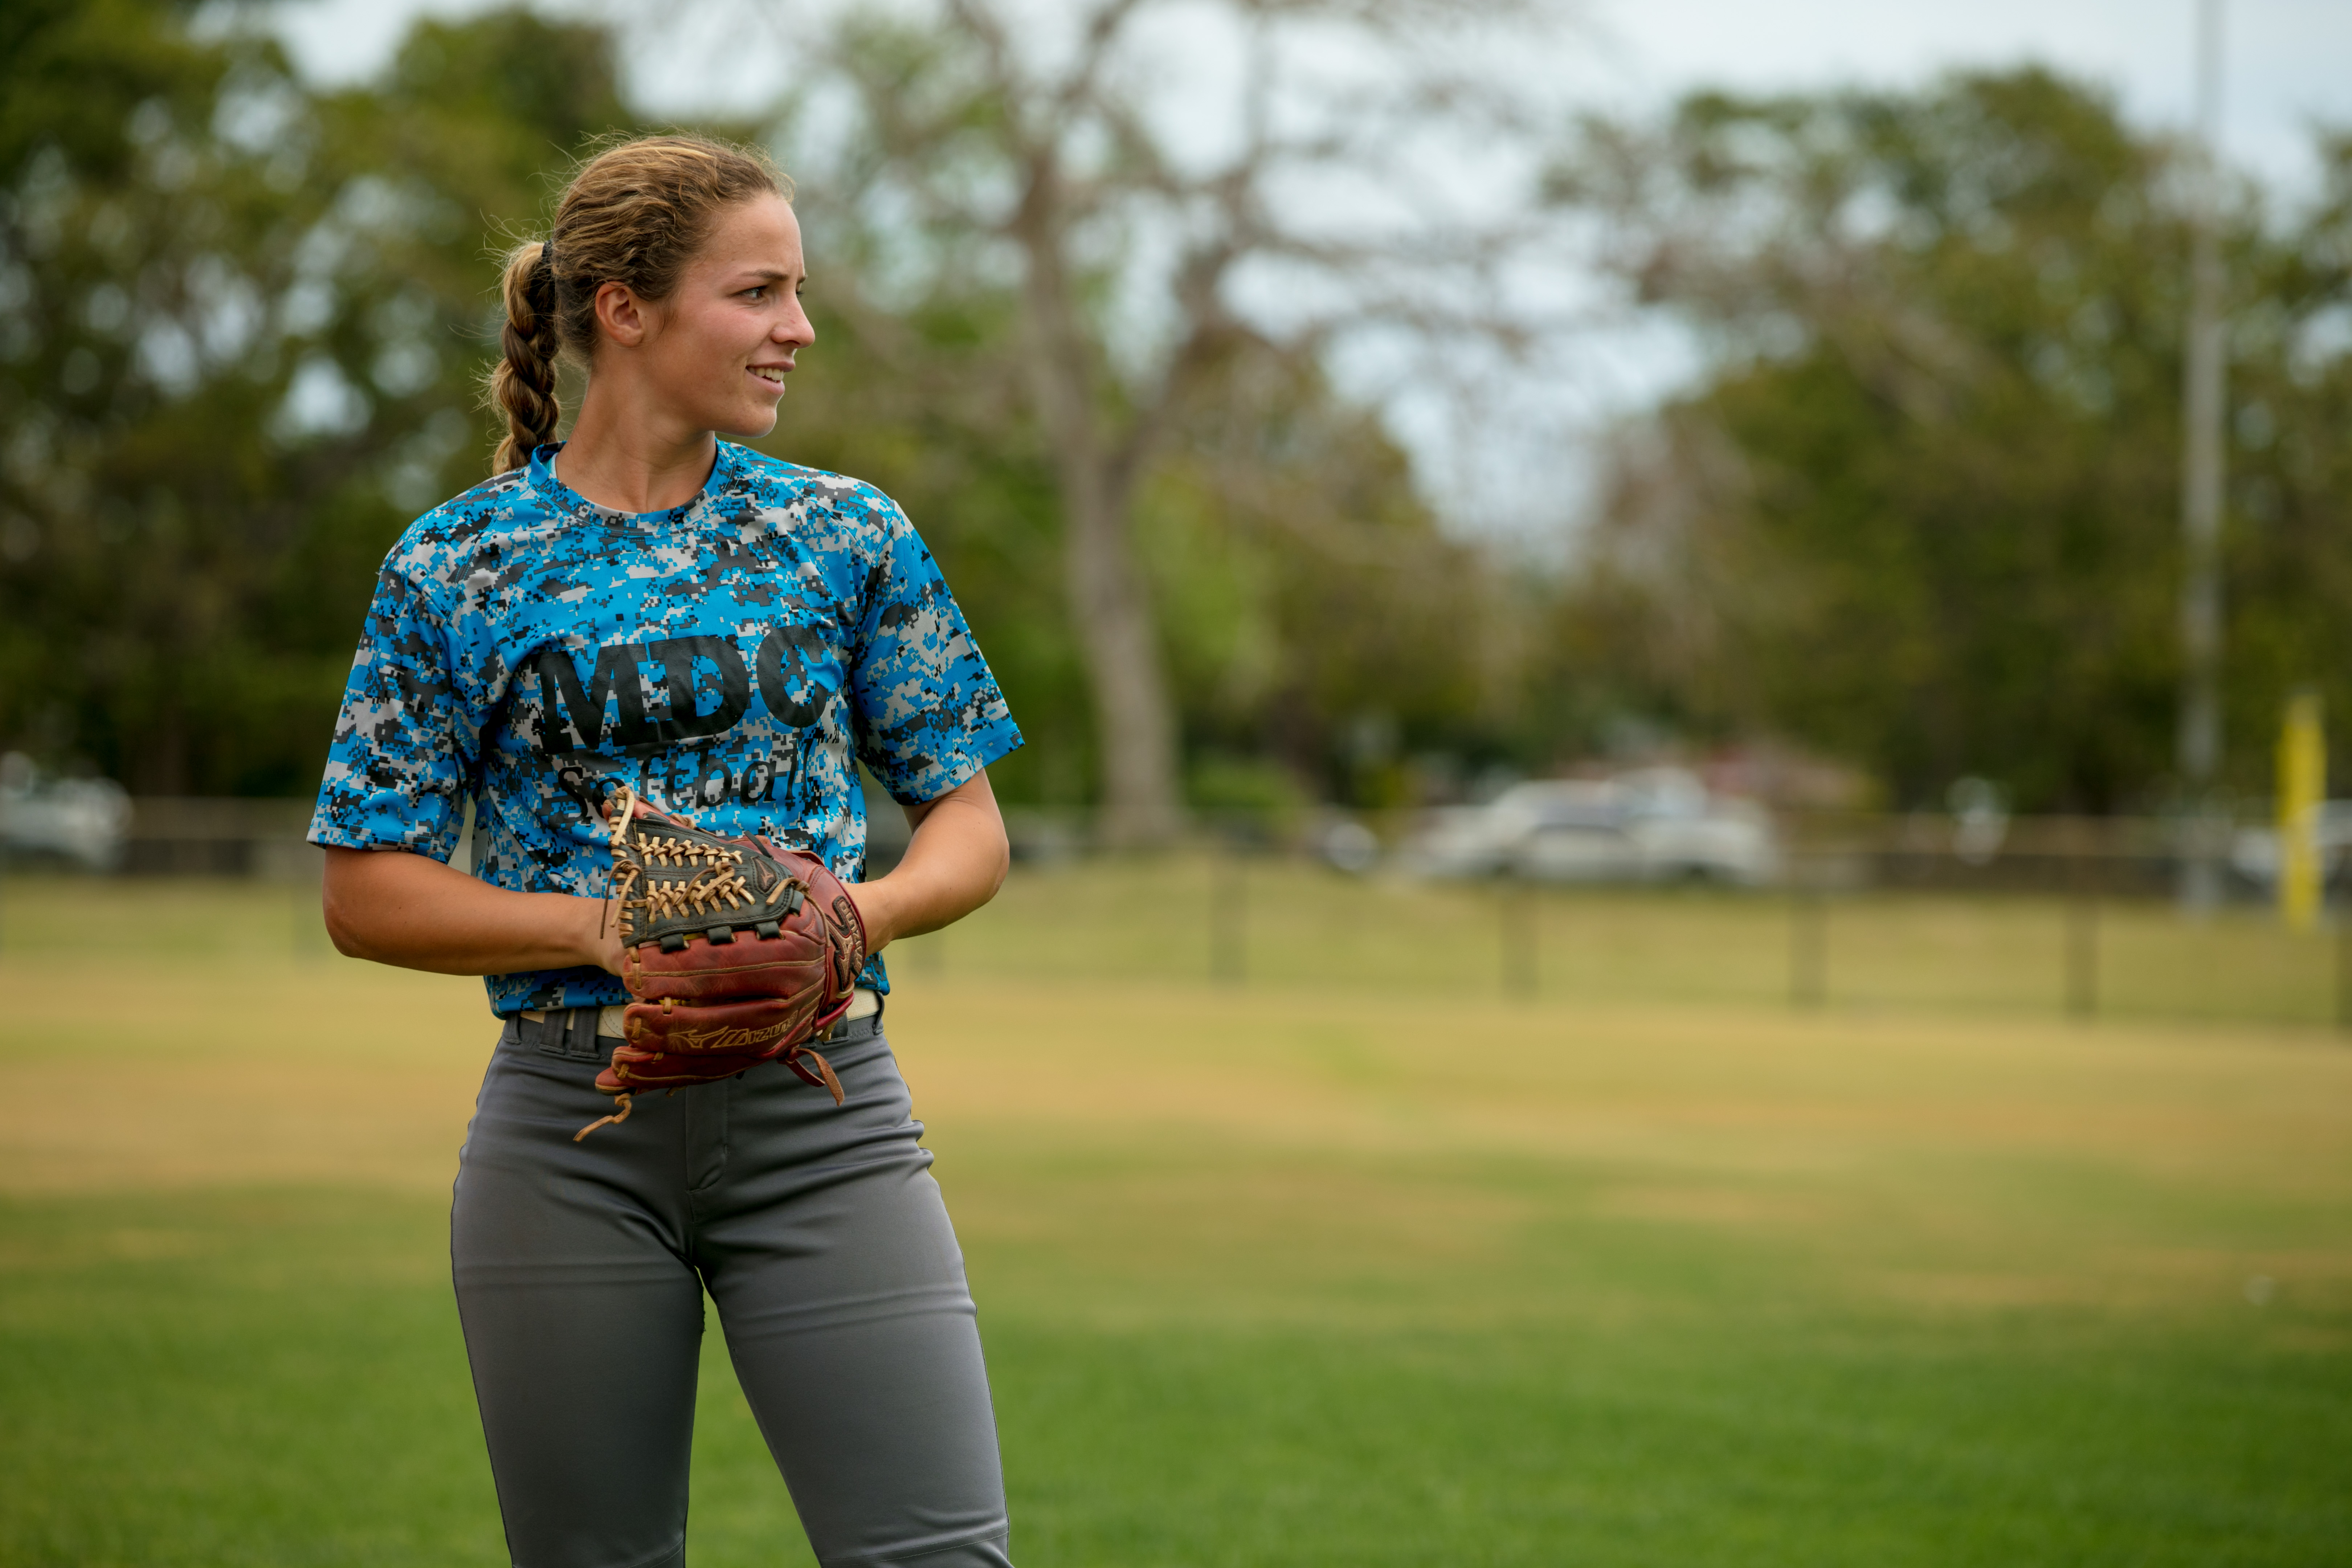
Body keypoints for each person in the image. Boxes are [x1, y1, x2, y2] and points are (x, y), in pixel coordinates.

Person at [307, 134, 1023, 1568]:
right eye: (757, 292)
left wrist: (857, 922)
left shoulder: (845, 535)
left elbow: (971, 824)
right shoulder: (458, 565)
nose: (798, 330)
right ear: (624, 309)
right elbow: (365, 887)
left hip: (822, 1119)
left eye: (799, 292)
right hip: (571, 1139)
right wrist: (594, 934)